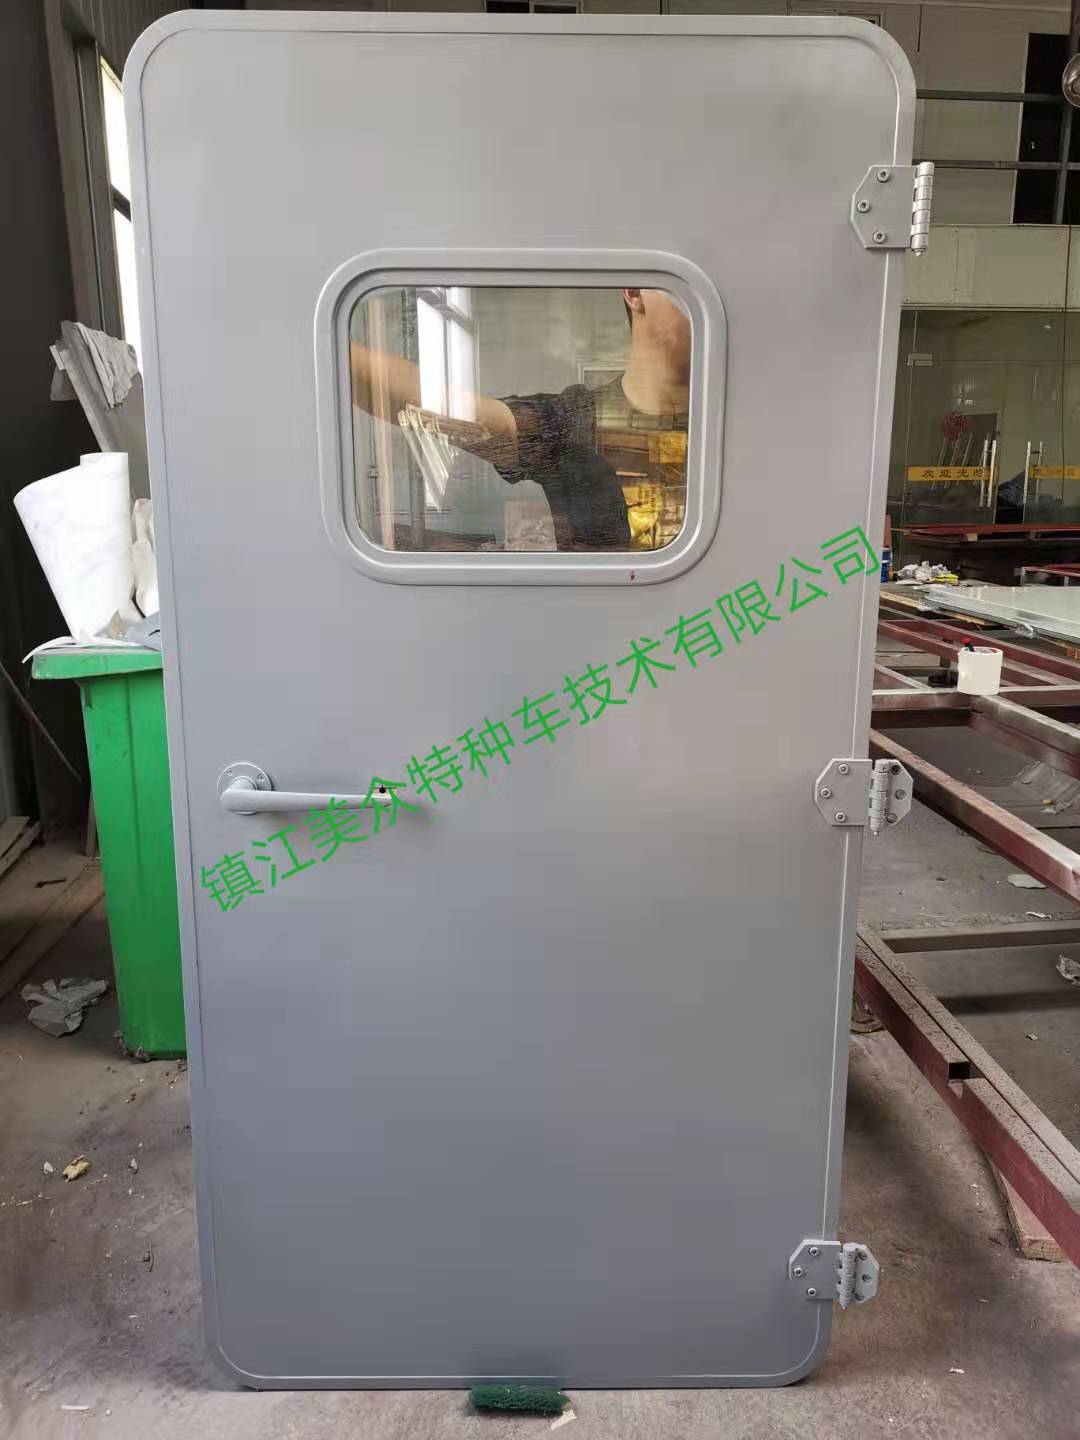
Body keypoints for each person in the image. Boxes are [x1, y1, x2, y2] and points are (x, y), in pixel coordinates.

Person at [350, 288, 691, 551]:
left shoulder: (723, 424)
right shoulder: (575, 421)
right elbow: (457, 412)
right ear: (634, 292)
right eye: (682, 287)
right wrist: (327, 337)